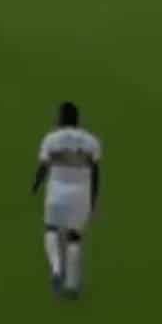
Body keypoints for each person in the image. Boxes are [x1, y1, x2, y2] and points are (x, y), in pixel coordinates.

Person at [32, 101, 102, 299]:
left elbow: (44, 166)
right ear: (77, 119)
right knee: (74, 236)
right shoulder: (91, 141)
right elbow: (96, 172)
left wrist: (36, 184)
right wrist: (94, 199)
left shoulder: (51, 139)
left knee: (51, 229)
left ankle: (56, 269)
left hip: (56, 190)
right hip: (81, 193)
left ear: (61, 118)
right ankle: (72, 285)